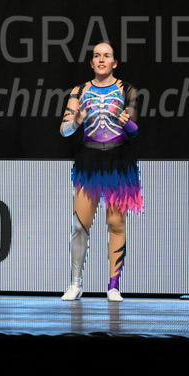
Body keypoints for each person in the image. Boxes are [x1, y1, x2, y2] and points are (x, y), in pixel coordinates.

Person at [59, 42, 142, 302]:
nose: (102, 59)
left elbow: (135, 130)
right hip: (89, 158)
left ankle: (114, 285)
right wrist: (78, 121)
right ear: (92, 63)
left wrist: (126, 124)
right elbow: (64, 130)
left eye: (107, 56)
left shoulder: (128, 90)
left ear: (115, 63)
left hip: (118, 158)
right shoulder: (80, 90)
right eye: (97, 56)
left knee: (116, 224)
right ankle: (75, 282)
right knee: (79, 225)